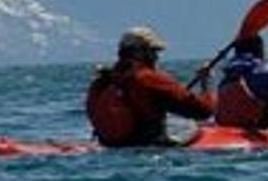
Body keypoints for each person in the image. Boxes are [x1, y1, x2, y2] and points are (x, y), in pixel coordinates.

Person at [84, 26, 216, 147]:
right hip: (148, 148)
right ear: (141, 53)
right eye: (153, 51)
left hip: (110, 147)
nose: (156, 57)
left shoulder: (101, 82)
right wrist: (207, 84)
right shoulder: (149, 79)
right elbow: (203, 111)